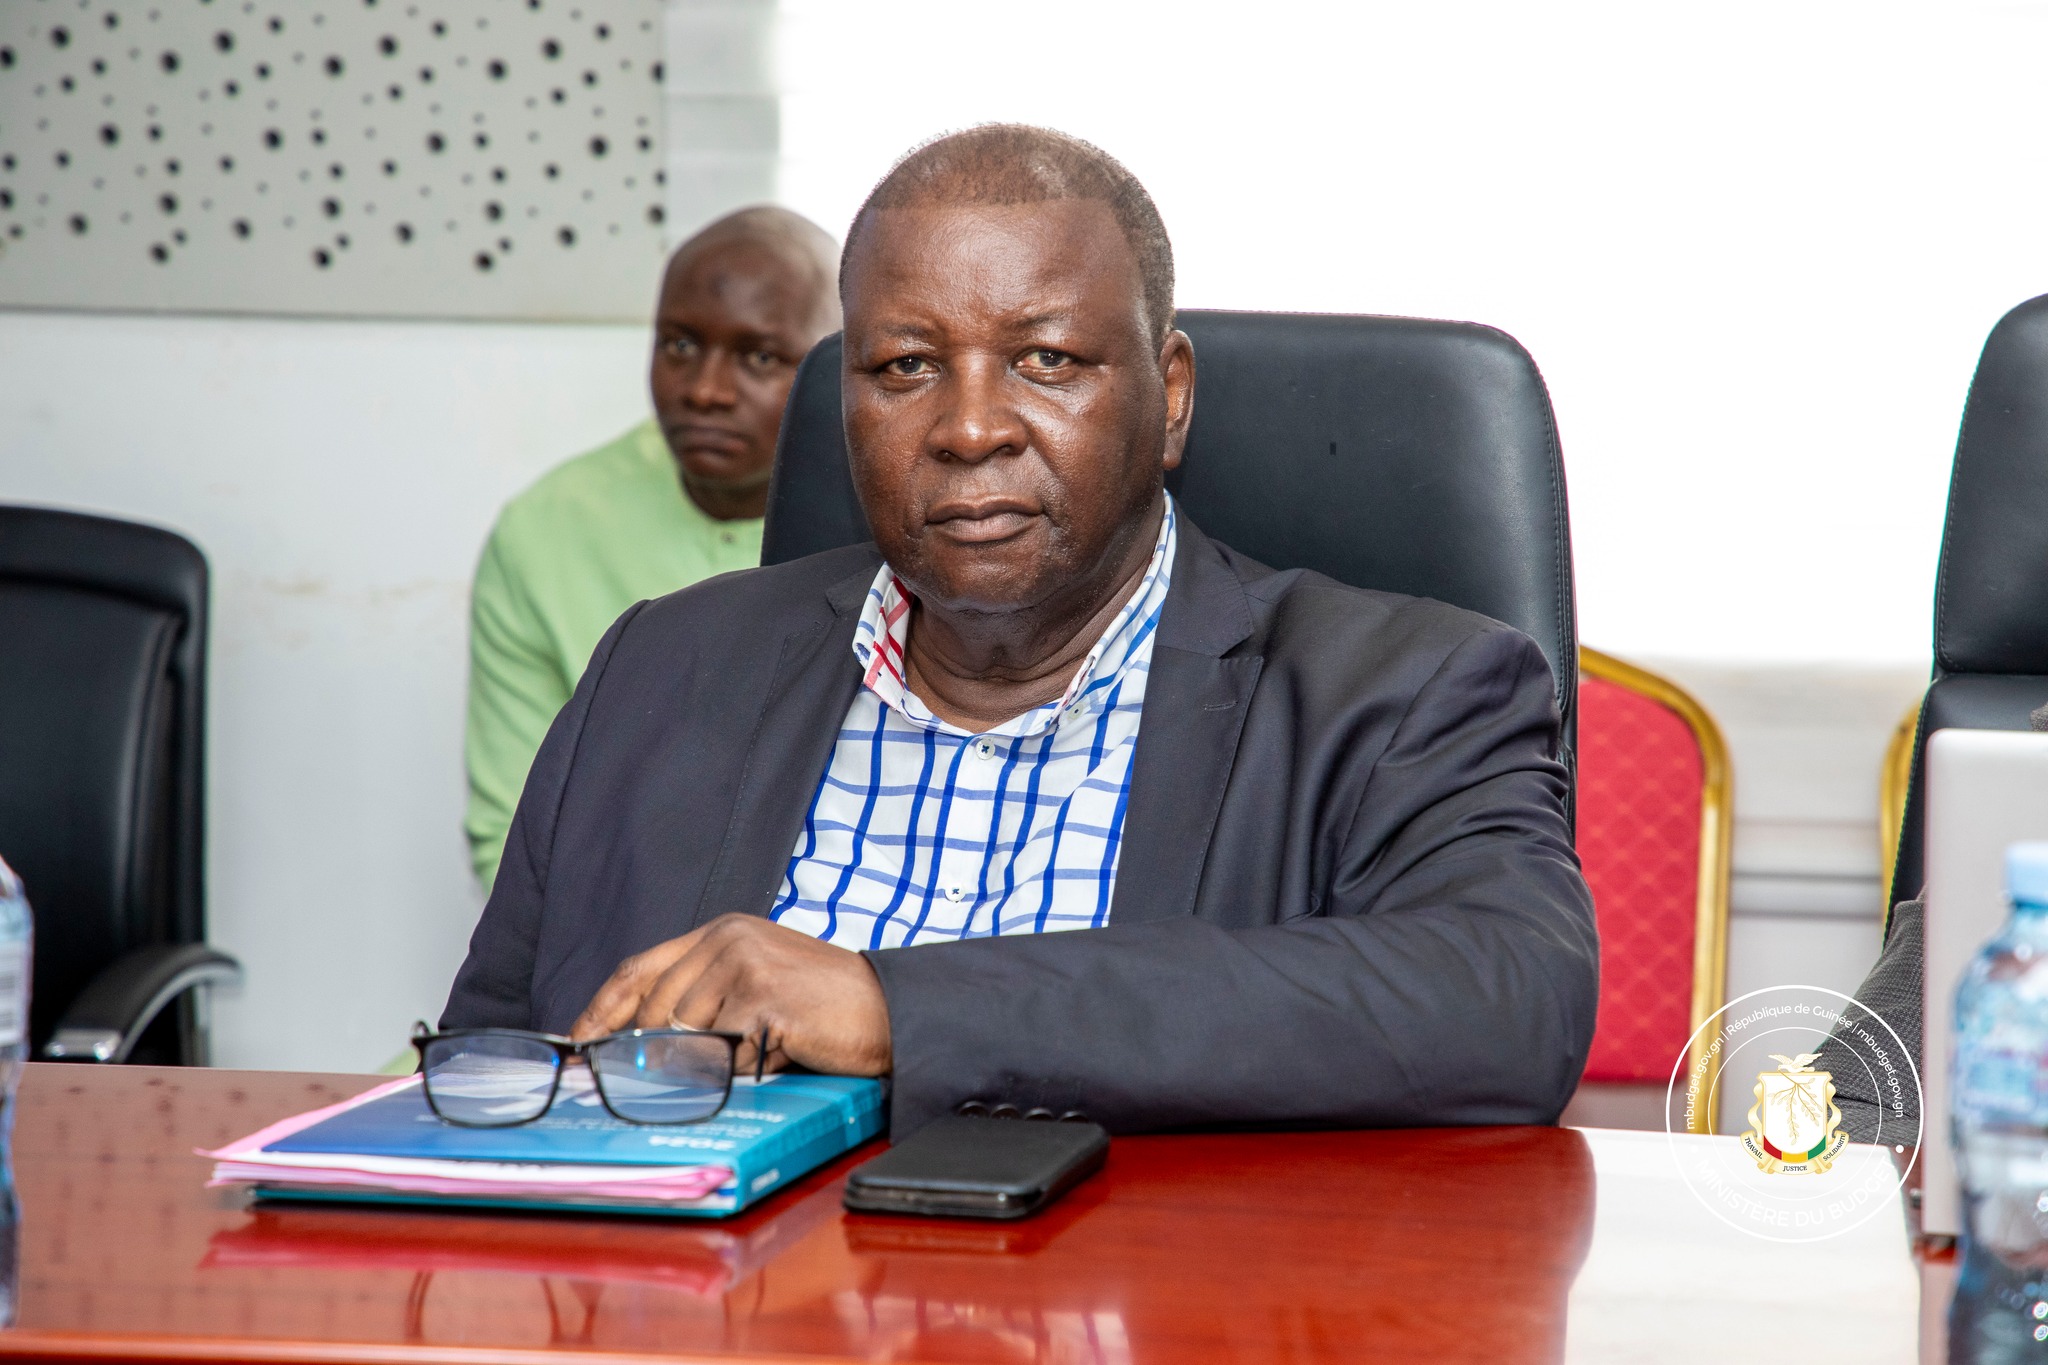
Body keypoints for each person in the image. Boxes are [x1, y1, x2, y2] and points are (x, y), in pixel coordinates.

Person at [443, 125, 1598, 1136]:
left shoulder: (1405, 692)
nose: (970, 427)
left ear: (1169, 395)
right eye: (905, 367)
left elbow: (1509, 998)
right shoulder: (661, 669)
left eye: (1045, 360)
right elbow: (492, 1070)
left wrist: (895, 1008)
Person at [464, 207, 841, 889]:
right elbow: (511, 844)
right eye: (680, 345)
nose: (705, 391)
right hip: (615, 934)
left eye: (760, 356)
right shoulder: (547, 531)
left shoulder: (907, 530)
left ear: (838, 367)